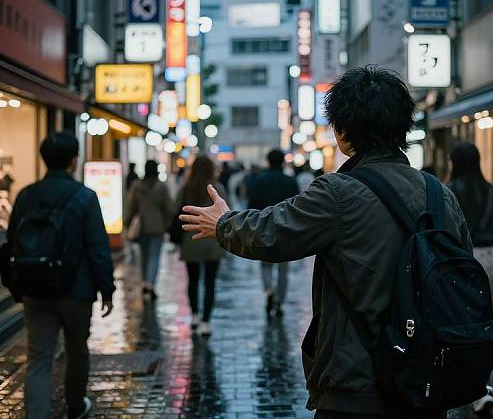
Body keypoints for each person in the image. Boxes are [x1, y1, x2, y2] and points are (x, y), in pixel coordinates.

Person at [180, 66, 472, 419]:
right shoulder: (440, 195)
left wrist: (224, 222)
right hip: (427, 375)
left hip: (358, 382)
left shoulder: (339, 192)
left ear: (344, 132)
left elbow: (275, 233)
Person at [5, 132, 115, 419]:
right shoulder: (84, 197)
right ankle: (76, 406)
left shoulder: (26, 195)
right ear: (73, 160)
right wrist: (107, 289)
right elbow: (98, 248)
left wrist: (16, 285)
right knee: (76, 350)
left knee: (39, 358)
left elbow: (11, 242)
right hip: (76, 292)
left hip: (35, 288)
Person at [448, 141, 493, 414]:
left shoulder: (448, 192)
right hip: (490, 259)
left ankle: (464, 385)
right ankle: (482, 387)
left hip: (460, 259)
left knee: (458, 323)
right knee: (488, 324)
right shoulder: (491, 192)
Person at [177, 155, 228, 337]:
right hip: (213, 238)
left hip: (191, 238)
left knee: (193, 279)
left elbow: (177, 210)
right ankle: (206, 321)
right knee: (210, 281)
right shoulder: (217, 188)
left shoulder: (187, 187)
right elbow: (228, 212)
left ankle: (194, 316)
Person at [247, 149, 300, 317]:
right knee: (283, 269)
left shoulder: (260, 180)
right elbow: (299, 205)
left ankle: (269, 290)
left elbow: (252, 203)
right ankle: (279, 302)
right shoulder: (290, 181)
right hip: (286, 229)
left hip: (264, 226)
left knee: (265, 264)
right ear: (283, 161)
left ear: (268, 162)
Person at [127, 160, 173, 299]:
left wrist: (128, 221)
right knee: (154, 256)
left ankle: (144, 283)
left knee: (144, 256)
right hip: (157, 226)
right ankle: (150, 284)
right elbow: (169, 207)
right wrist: (167, 223)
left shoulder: (137, 185)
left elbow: (130, 206)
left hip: (142, 226)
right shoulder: (161, 186)